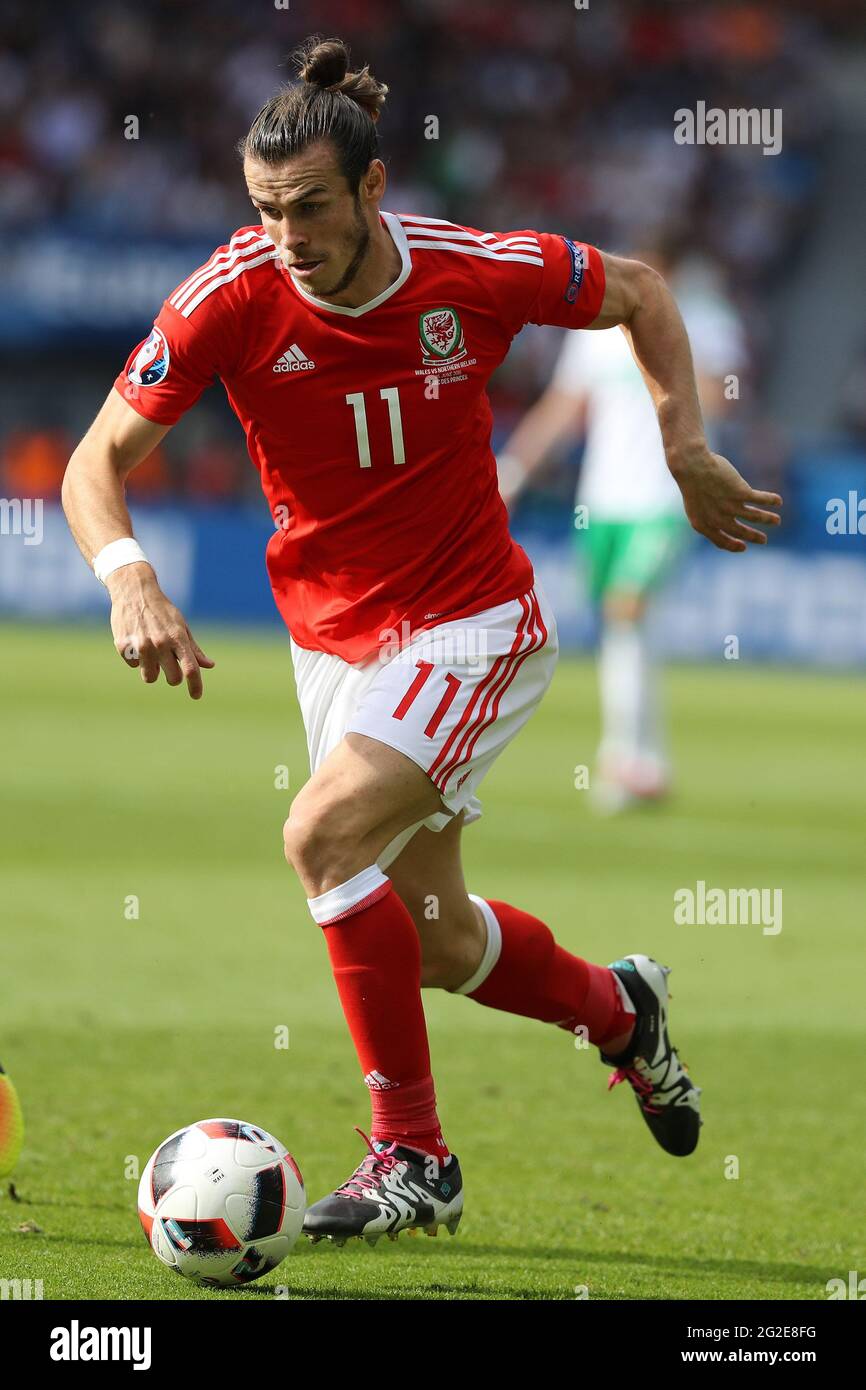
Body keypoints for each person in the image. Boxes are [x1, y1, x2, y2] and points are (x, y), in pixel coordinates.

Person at [62, 37, 781, 1247]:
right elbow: (96, 463)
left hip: (467, 623)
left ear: (373, 188)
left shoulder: (472, 272)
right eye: (263, 208)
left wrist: (680, 443)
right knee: (436, 938)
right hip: (331, 639)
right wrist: (129, 575)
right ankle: (619, 1010)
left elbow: (641, 293)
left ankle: (414, 1157)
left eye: (307, 207)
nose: (283, 233)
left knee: (318, 831)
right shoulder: (227, 297)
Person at [498, 242, 748, 810]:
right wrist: (512, 471)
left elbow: (720, 399)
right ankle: (647, 761)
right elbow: (563, 407)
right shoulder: (591, 324)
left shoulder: (701, 320)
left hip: (664, 495)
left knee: (626, 607)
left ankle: (623, 762)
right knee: (623, 625)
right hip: (602, 501)